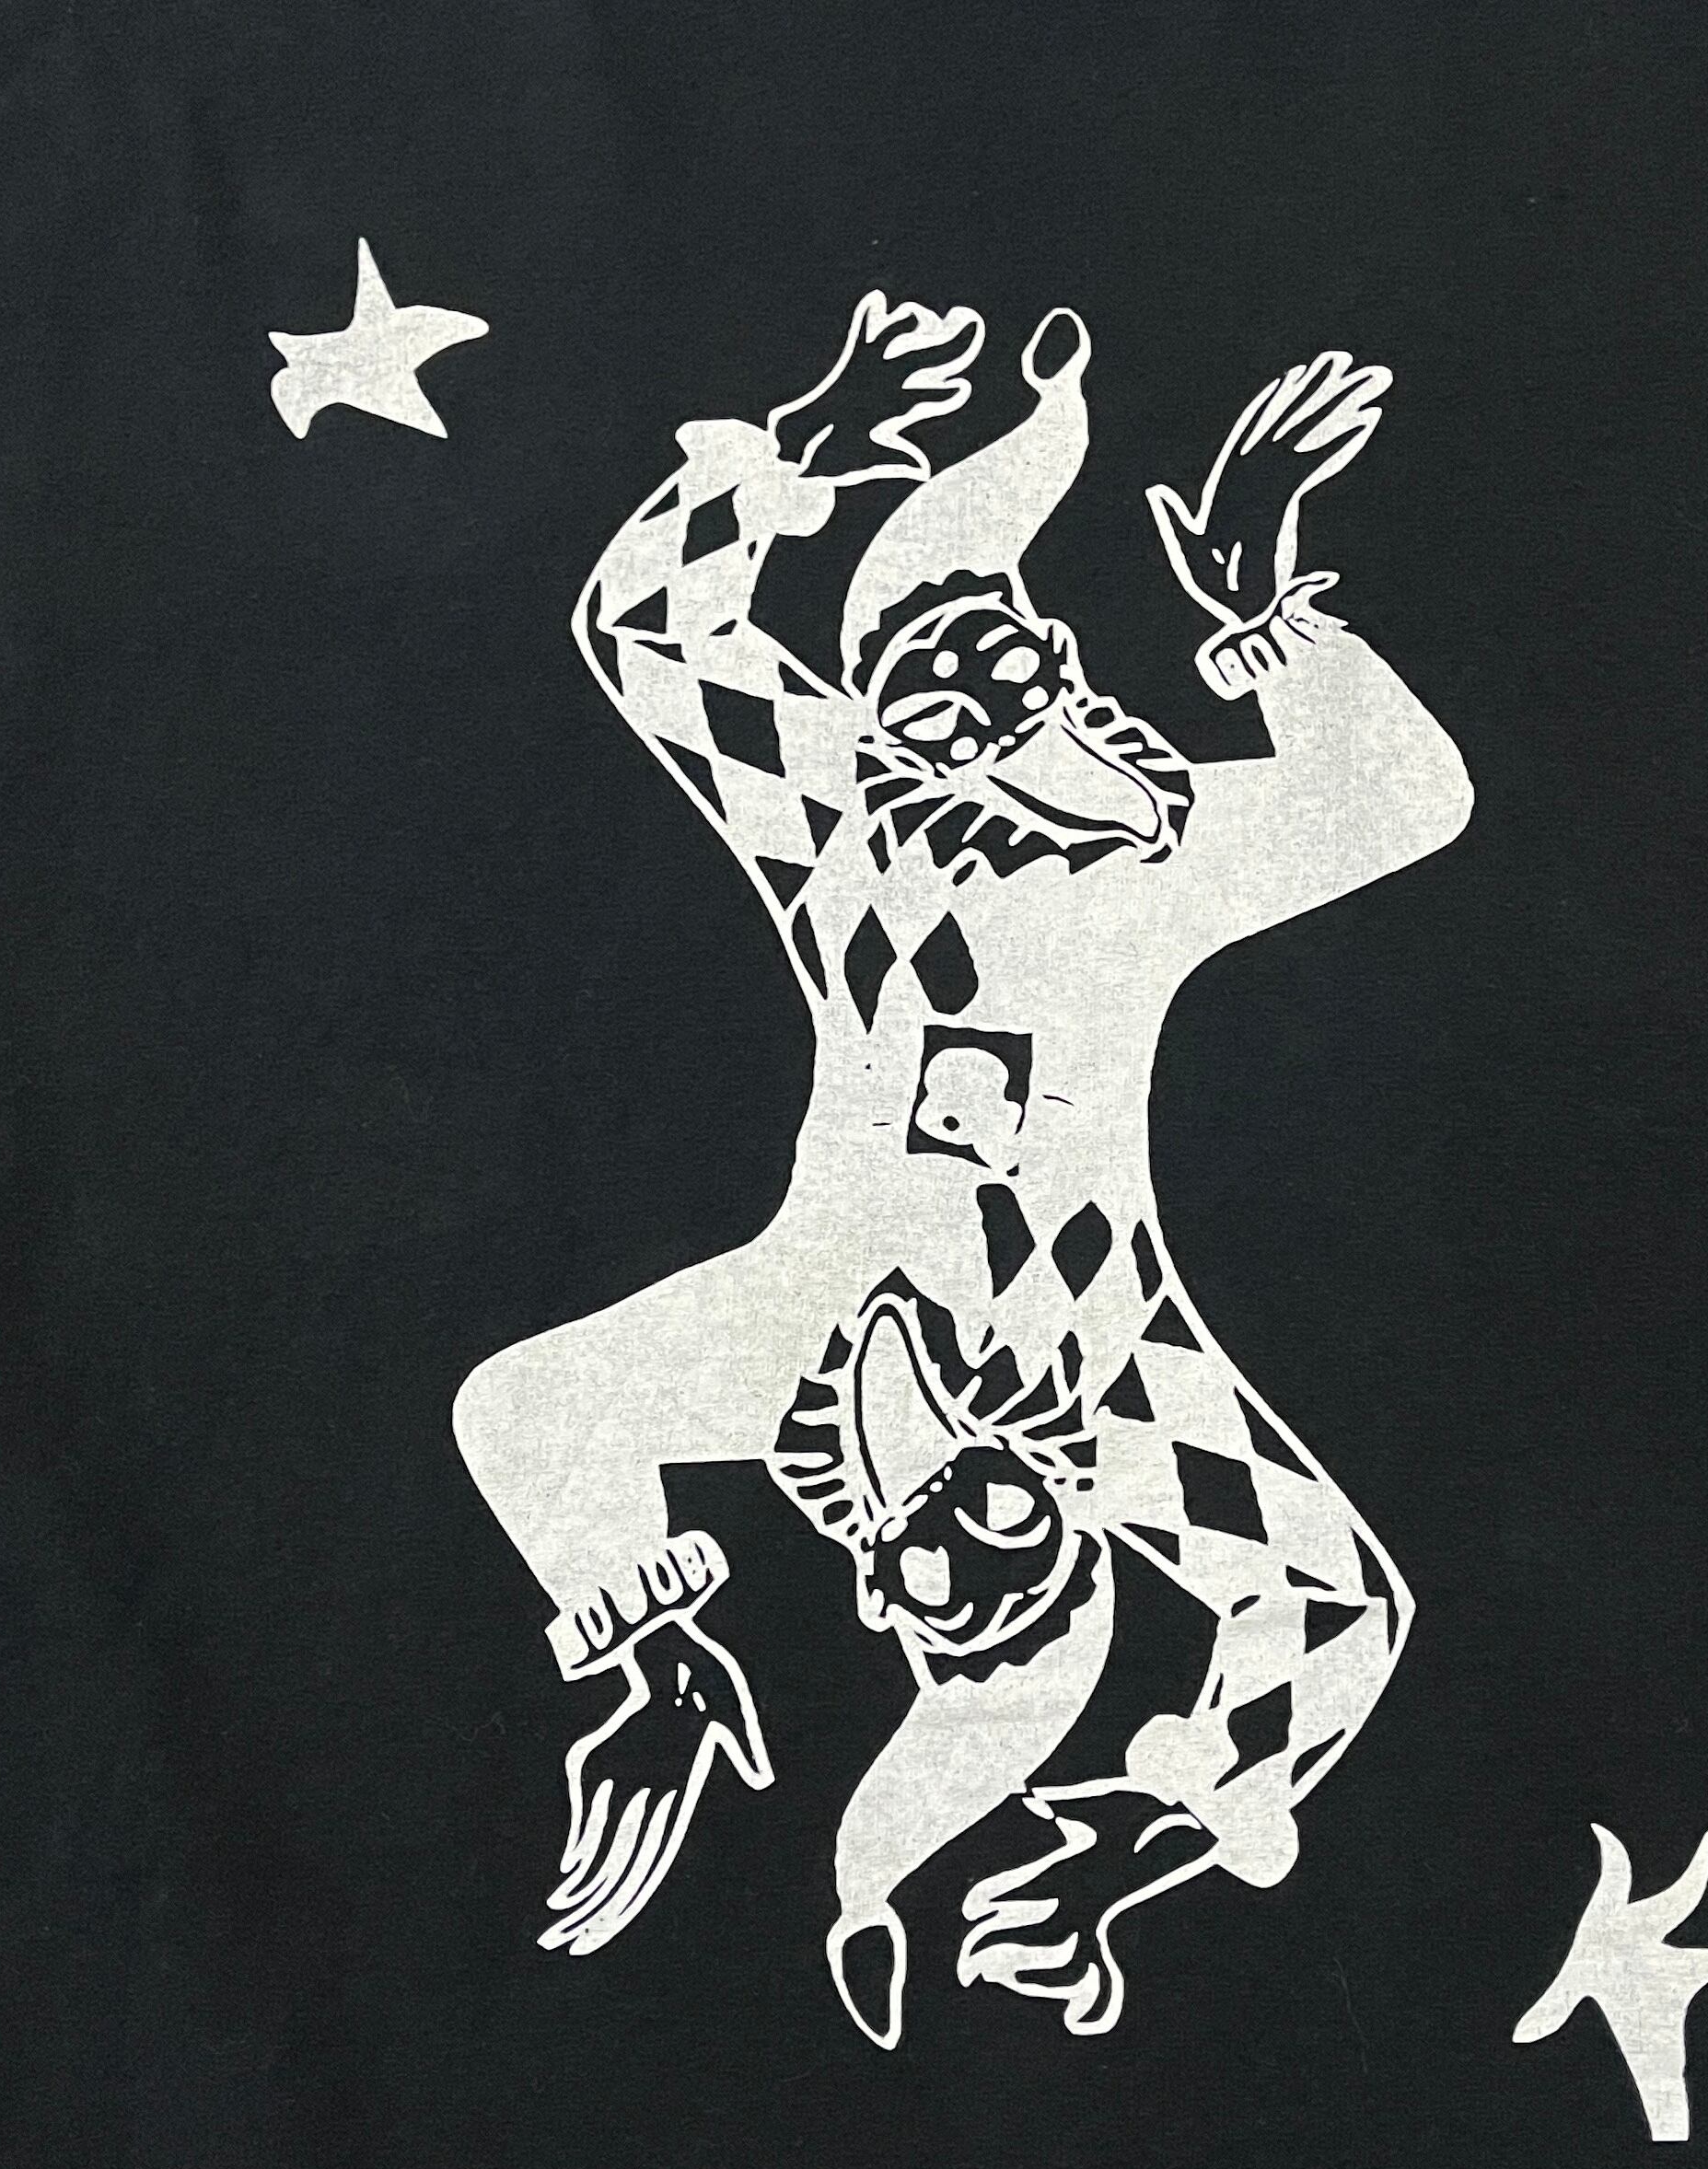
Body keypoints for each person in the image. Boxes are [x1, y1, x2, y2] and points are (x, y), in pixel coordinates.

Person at [452, 293, 1472, 2045]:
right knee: (531, 1412)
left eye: (1030, 665)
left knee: (530, 1412)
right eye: (955, 685)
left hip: (960, 1311)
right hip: (939, 1308)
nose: (1029, 700)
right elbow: (645, 629)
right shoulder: (862, 839)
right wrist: (804, 453)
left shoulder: (1144, 864)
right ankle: (692, 1696)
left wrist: (1128, 1849)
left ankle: (731, 1711)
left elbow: (1402, 801)